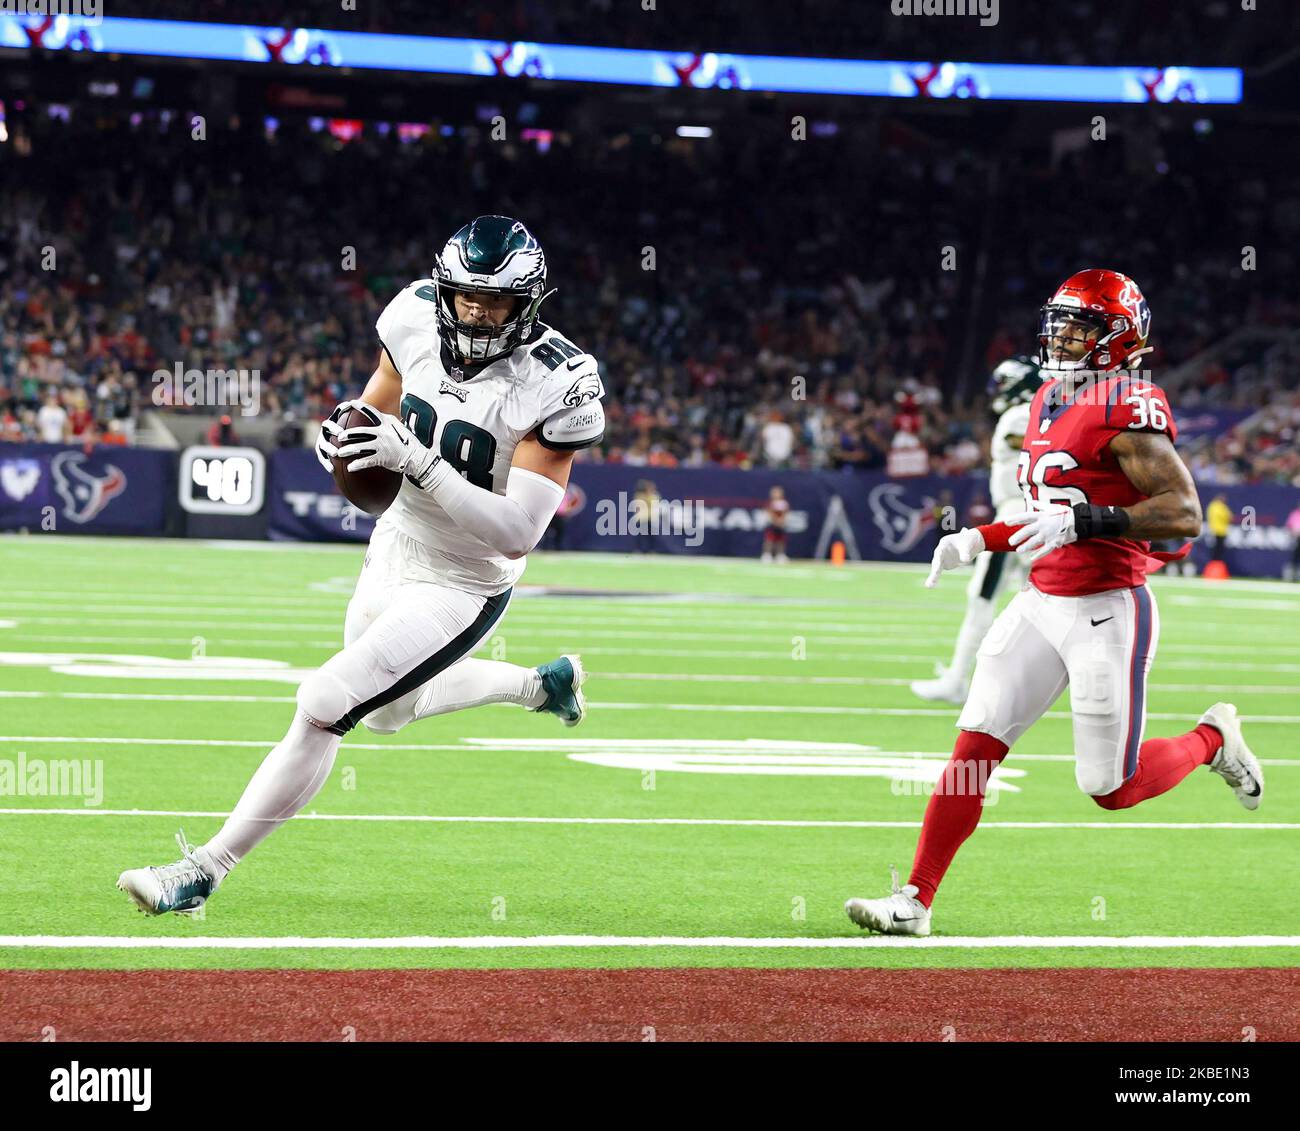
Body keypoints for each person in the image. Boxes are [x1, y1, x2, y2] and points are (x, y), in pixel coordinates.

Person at [118, 216, 607, 915]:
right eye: (467, 296)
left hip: (464, 580)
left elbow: (517, 533)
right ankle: (539, 685)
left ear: (528, 303)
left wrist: (420, 462)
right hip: (394, 540)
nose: (477, 312)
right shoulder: (411, 317)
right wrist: (343, 438)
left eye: (495, 301)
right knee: (384, 716)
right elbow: (373, 403)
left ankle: (203, 870)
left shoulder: (556, 380)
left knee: (325, 702)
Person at [845, 269, 1264, 937]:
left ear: (1117, 337)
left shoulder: (1129, 402)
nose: (1062, 336)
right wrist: (977, 537)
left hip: (1107, 608)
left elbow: (1182, 514)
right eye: (1059, 322)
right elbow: (1047, 514)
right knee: (972, 750)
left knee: (1109, 787)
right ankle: (915, 901)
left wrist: (1092, 522)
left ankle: (1212, 738)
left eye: (1080, 326)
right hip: (1040, 602)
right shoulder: (1044, 399)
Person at [911, 356, 1045, 703]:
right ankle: (1022, 681)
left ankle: (958, 680)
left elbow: (1032, 441)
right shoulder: (1036, 411)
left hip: (1016, 514)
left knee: (982, 598)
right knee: (1033, 600)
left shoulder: (1023, 415)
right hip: (1029, 514)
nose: (997, 392)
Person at [761, 484, 790, 563]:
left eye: (778, 493)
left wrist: (781, 521)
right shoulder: (771, 503)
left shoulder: (784, 503)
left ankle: (780, 555)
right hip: (772, 524)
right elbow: (769, 512)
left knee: (780, 540)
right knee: (769, 540)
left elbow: (785, 513)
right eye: (775, 493)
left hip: (780, 525)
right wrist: (774, 520)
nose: (776, 495)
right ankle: (767, 555)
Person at [1206, 493, 1232, 562]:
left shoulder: (1212, 506)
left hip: (1215, 530)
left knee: (1217, 549)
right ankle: (1216, 564)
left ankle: (1215, 564)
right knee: (1218, 550)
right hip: (1219, 531)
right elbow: (1228, 517)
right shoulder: (1220, 507)